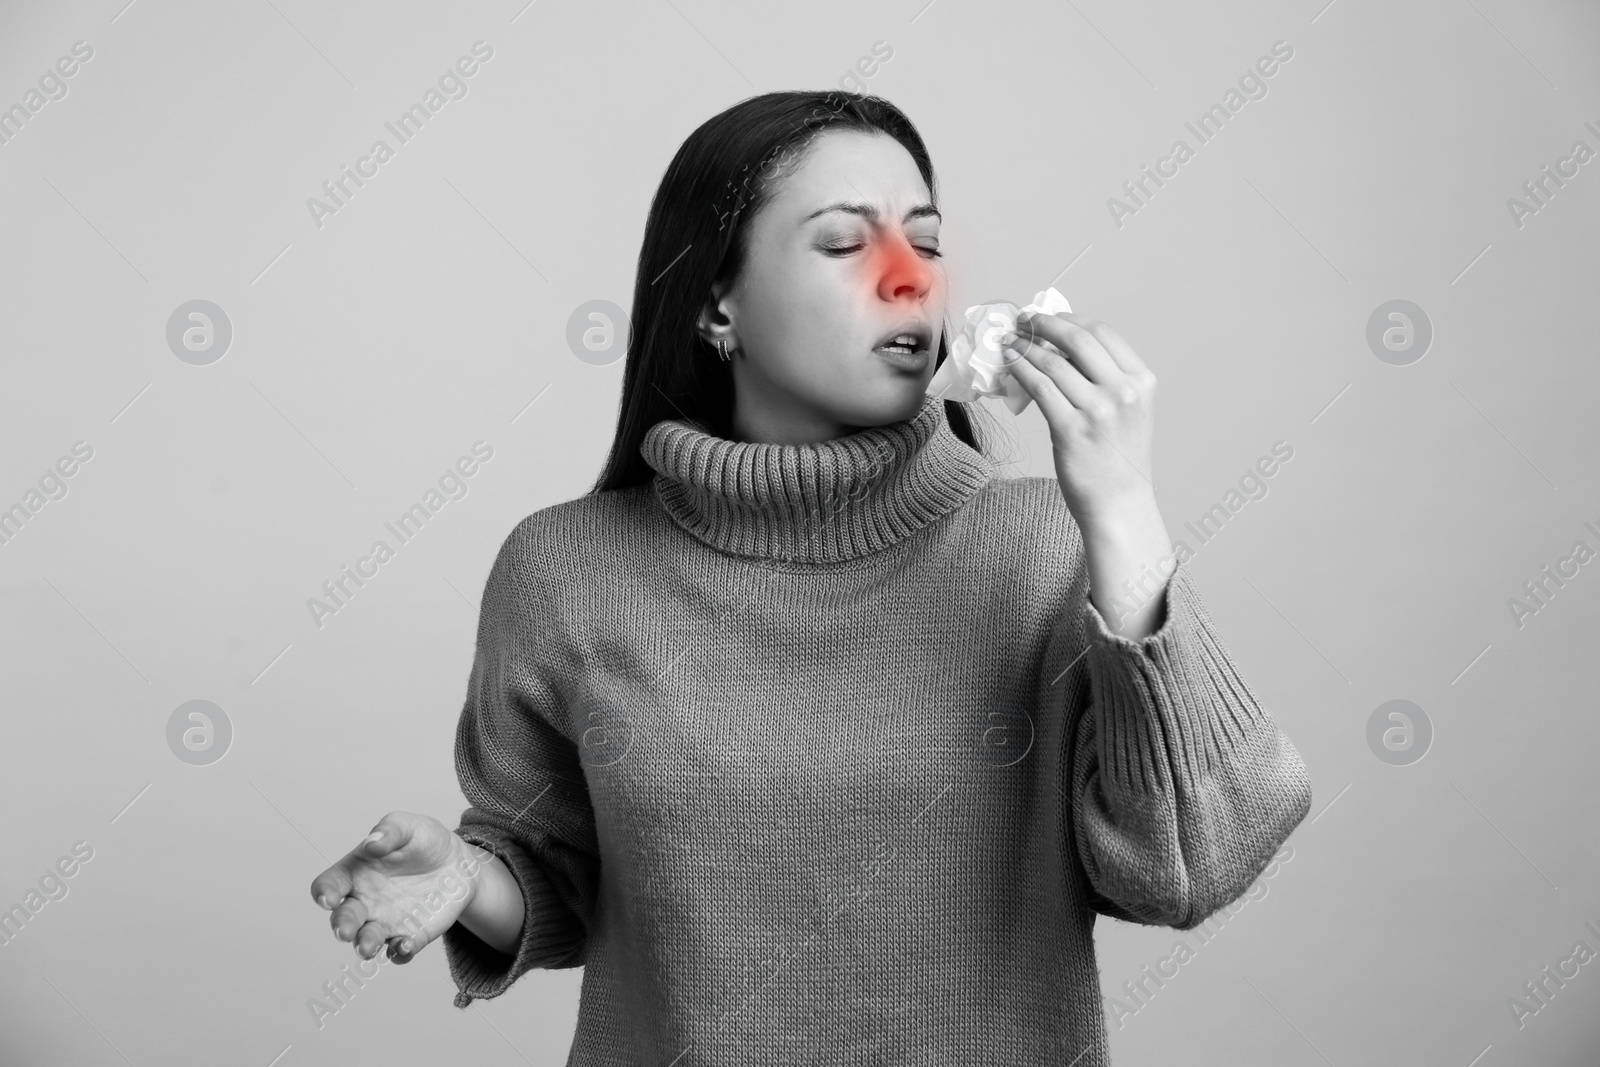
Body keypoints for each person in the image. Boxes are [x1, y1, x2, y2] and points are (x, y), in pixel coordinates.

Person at [309, 89, 1312, 1064]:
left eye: (924, 238)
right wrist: (460, 876)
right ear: (717, 302)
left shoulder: (1050, 547)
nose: (909, 277)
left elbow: (1193, 866)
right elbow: (564, 879)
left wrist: (1123, 508)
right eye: (844, 242)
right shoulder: (564, 569)